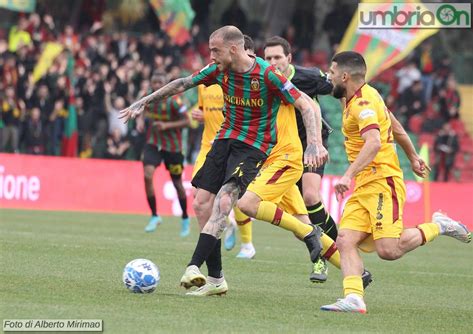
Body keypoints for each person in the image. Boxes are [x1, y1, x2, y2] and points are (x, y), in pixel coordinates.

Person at [119, 26, 328, 296]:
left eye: (215, 50)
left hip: (253, 148)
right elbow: (183, 83)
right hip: (224, 141)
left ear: (233, 49)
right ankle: (216, 280)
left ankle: (194, 266)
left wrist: (314, 142)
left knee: (226, 201)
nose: (211, 55)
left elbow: (305, 105)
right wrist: (144, 101)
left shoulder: (267, 75)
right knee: (201, 204)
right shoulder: (219, 70)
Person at [320, 51, 471, 314]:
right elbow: (396, 125)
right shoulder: (364, 95)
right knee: (344, 239)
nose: (328, 77)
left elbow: (374, 142)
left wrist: (346, 176)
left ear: (344, 76)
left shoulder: (362, 104)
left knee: (389, 250)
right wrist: (413, 156)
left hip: (382, 182)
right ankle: (354, 297)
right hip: (365, 183)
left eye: (332, 73)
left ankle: (438, 226)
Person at [263, 36, 338, 281]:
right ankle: (321, 258)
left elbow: (340, 88)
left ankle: (336, 241)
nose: (273, 62)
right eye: (268, 58)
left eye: (277, 57)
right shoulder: (263, 80)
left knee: (310, 195)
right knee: (299, 222)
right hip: (284, 150)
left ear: (289, 58)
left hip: (312, 144)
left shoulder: (309, 77)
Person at [191, 34, 256, 259]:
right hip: (207, 145)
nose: (212, 57)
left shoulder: (231, 82)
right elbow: (199, 113)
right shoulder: (205, 84)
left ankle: (247, 244)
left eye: (216, 52)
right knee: (198, 197)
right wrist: (196, 117)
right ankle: (225, 226)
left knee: (231, 195)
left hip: (231, 145)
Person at [137, 73, 191, 237]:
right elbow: (141, 109)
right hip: (153, 143)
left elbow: (187, 122)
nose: (156, 86)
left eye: (159, 82)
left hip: (173, 147)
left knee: (177, 184)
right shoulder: (148, 98)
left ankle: (185, 218)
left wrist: (166, 125)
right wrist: (140, 119)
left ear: (166, 84)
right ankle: (154, 216)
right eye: (154, 82)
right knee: (147, 175)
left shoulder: (175, 101)